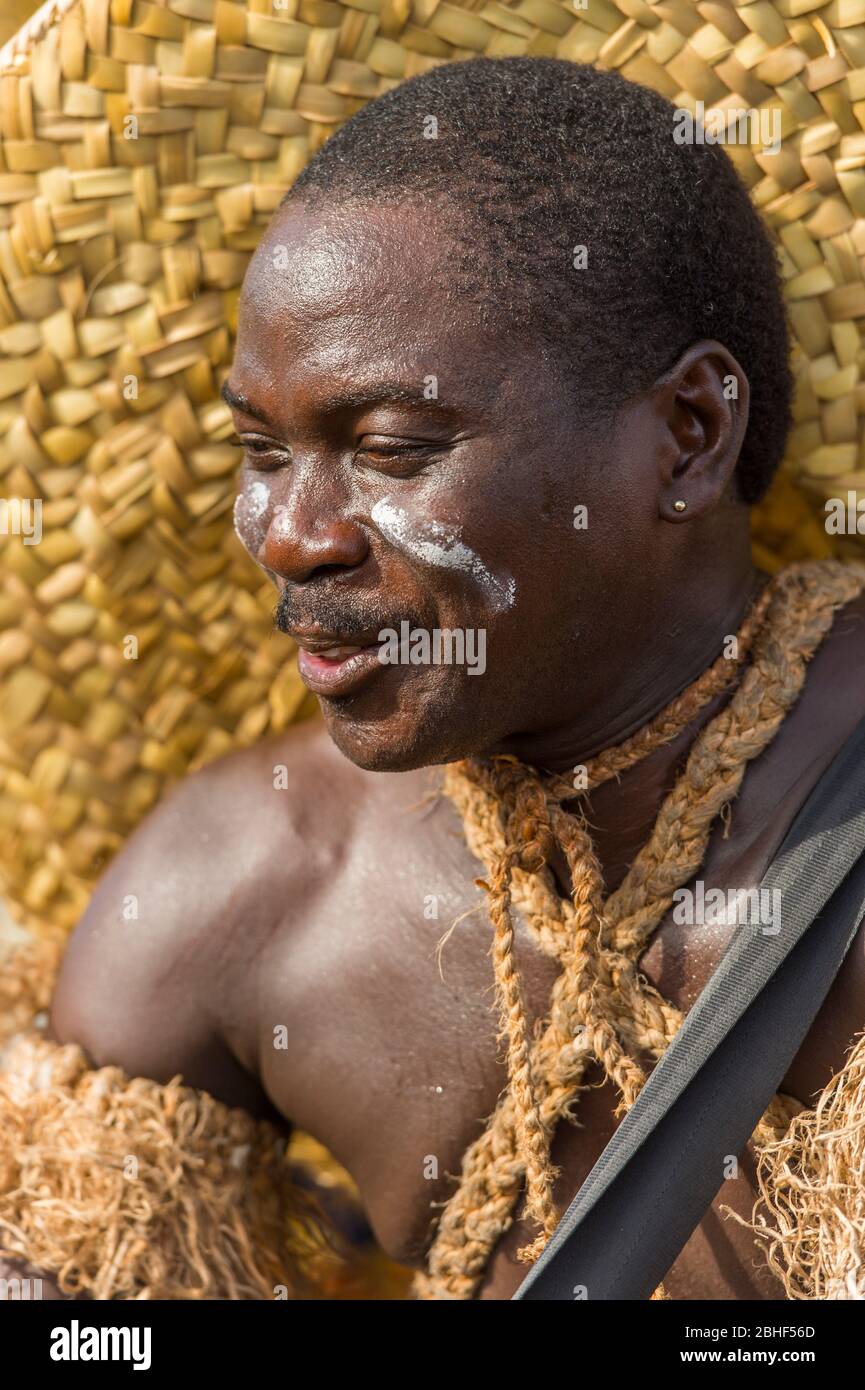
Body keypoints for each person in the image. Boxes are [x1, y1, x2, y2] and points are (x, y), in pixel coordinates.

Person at [4, 56, 865, 1301]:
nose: (293, 535)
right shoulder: (247, 884)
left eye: (393, 448)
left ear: (687, 433)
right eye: (259, 449)